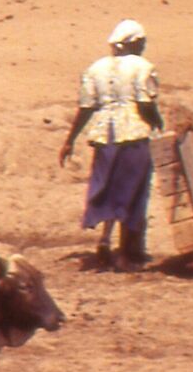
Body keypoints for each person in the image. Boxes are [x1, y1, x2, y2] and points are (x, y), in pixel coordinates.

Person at [60, 19, 165, 271]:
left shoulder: (96, 69)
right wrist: (158, 123)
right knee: (132, 190)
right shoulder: (142, 67)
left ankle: (105, 240)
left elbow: (86, 107)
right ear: (136, 42)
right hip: (133, 133)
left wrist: (70, 140)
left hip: (104, 136)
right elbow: (144, 104)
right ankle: (127, 254)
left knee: (108, 187)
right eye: (142, 42)